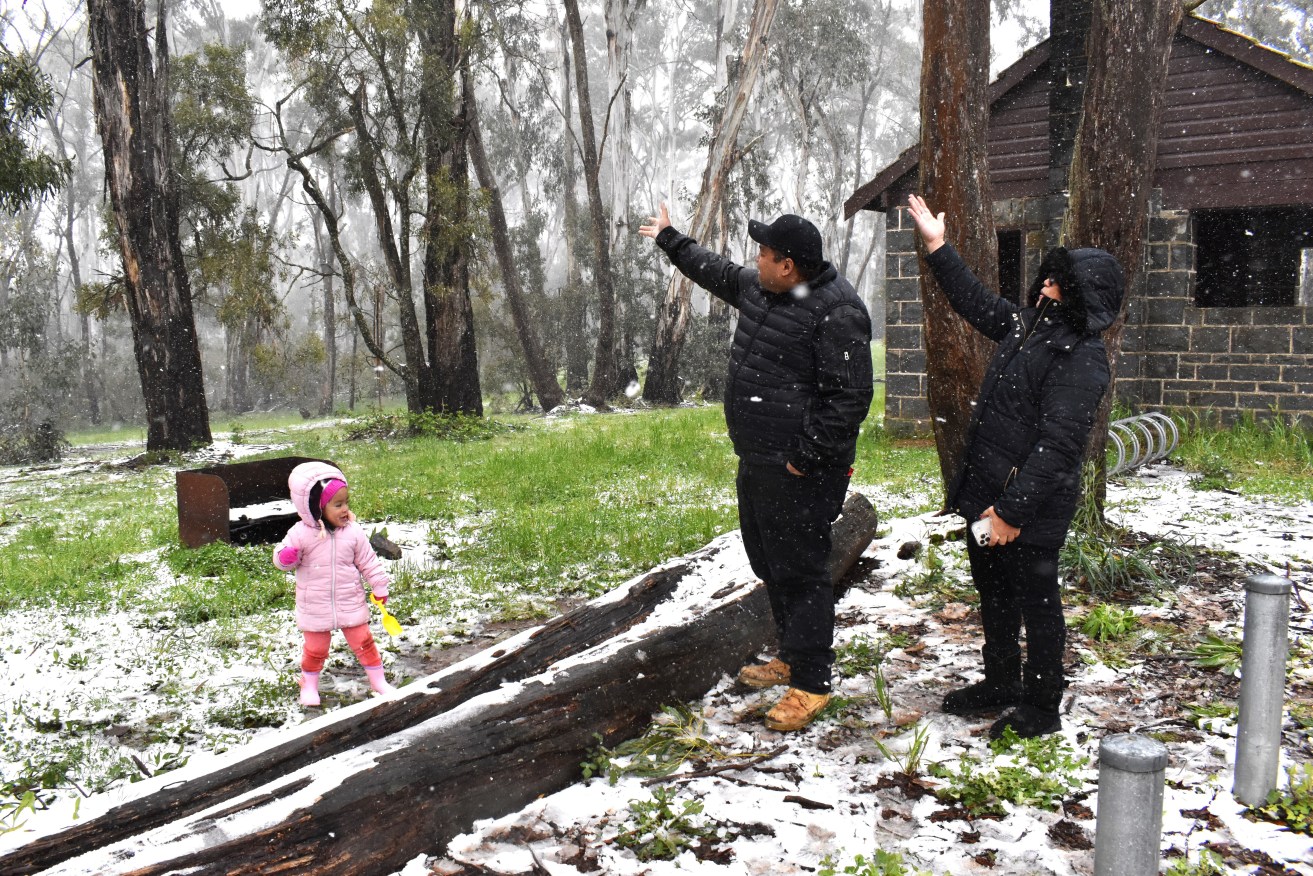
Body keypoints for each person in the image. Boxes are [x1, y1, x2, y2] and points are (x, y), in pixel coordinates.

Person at [639, 204, 874, 732]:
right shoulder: (760, 289)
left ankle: (812, 683)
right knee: (770, 563)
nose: (755, 260)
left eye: (764, 254)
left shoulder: (838, 312)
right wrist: (671, 238)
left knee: (803, 571)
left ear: (787, 265)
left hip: (801, 471)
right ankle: (791, 655)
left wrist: (803, 458)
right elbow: (712, 268)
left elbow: (850, 400)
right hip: (759, 458)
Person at [905, 193, 1125, 739]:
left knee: (1037, 602)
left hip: (1028, 509)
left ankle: (1042, 705)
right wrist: (938, 246)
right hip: (988, 498)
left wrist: (1010, 511)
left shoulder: (1082, 357)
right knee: (994, 593)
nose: (1045, 288)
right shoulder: (1027, 326)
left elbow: (1057, 448)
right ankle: (1001, 680)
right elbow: (975, 301)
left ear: (1081, 297)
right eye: (1047, 279)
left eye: (1058, 284)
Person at [274, 460, 395, 706]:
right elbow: (282, 559)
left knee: (363, 641)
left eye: (346, 503)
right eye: (337, 504)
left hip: (348, 599)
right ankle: (308, 685)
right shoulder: (299, 533)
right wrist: (286, 557)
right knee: (316, 649)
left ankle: (378, 681)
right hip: (315, 604)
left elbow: (368, 562)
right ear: (315, 508)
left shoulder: (353, 532)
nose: (344, 509)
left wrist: (379, 585)